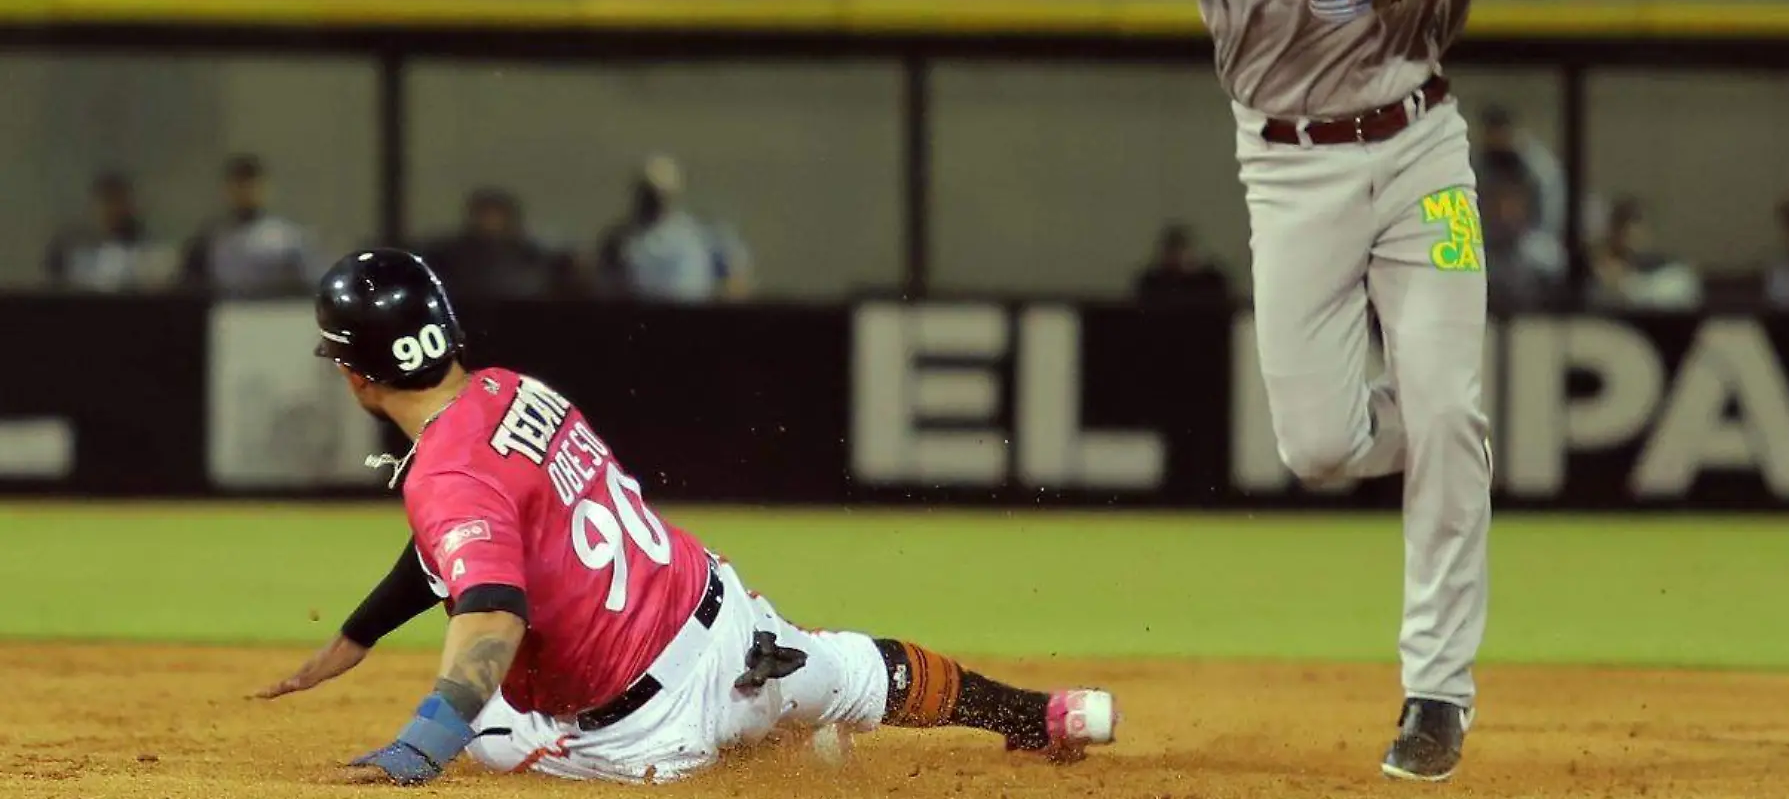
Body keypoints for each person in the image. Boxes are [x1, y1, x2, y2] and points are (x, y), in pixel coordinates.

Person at [1094, 0, 1559, 780]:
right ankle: (1453, 434)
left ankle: (1435, 693)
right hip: (1292, 170)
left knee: (1444, 410)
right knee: (1318, 450)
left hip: (1421, 149)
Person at [257, 250, 1116, 785]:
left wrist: (421, 747)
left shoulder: (444, 475)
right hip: (727, 621)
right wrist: (362, 631)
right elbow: (468, 539)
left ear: (357, 375)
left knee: (484, 733)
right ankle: (1040, 717)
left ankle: (755, 752)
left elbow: (491, 609)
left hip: (651, 731)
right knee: (866, 672)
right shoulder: (511, 390)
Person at [597, 156, 752, 303]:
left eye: (659, 193)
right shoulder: (619, 240)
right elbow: (603, 284)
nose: (654, 199)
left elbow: (737, 279)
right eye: (648, 193)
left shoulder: (702, 233)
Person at [179, 154, 319, 297]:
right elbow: (189, 286)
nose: (245, 191)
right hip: (226, 313)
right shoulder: (209, 240)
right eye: (239, 184)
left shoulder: (287, 239)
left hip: (276, 313)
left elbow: (311, 284)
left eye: (251, 183)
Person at [418, 189, 562, 298]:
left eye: (496, 217)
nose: (491, 223)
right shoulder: (449, 255)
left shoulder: (528, 255)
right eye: (486, 216)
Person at [43, 171, 174, 291]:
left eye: (118, 202)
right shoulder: (70, 249)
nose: (113, 210)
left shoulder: (148, 254)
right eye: (106, 201)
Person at [1472, 105, 1565, 246]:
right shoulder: (1480, 163)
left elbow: (1552, 208)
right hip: (1490, 240)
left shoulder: (1538, 165)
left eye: (1499, 132)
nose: (1495, 139)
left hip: (1532, 238)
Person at [1587, 198, 1701, 310]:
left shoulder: (1677, 277)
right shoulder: (1600, 275)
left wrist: (1622, 284)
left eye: (1639, 232)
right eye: (1624, 233)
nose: (1634, 239)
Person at [1479, 167, 1565, 309]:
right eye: (1498, 201)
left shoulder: (1546, 258)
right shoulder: (1478, 254)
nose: (1504, 211)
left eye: (1512, 202)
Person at [1133, 223, 1231, 305]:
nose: (1177, 257)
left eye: (1181, 250)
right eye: (1173, 251)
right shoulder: (1152, 283)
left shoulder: (1211, 281)